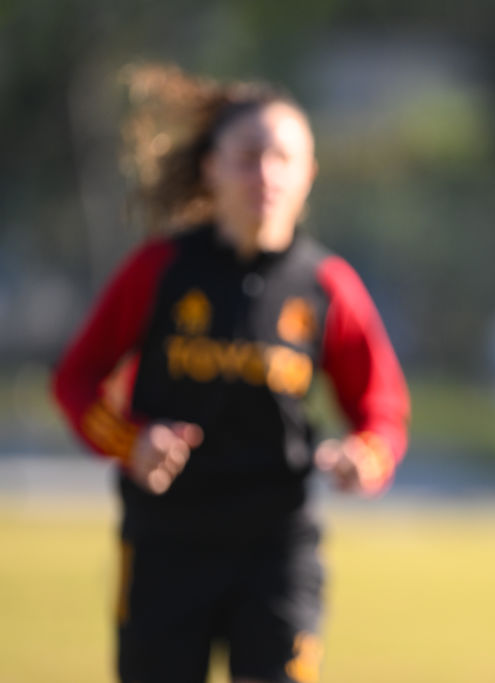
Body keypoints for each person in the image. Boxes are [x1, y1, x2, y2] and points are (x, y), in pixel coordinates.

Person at [52, 64, 410, 683]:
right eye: (247, 156)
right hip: (166, 543)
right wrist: (131, 442)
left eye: (283, 158)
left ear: (309, 176)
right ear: (210, 168)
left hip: (277, 549)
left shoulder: (328, 286)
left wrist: (364, 457)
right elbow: (77, 379)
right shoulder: (159, 269)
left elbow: (382, 411)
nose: (265, 175)